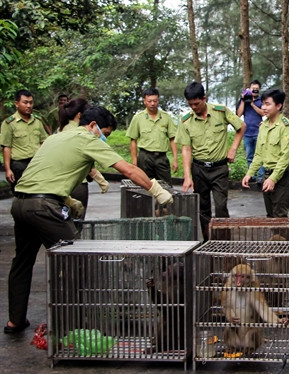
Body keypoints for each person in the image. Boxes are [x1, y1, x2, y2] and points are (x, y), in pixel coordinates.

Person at [4, 106, 174, 334]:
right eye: (105, 132)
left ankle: (15, 320)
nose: (105, 138)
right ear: (93, 126)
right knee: (74, 263)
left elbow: (44, 174)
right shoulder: (87, 139)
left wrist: (68, 200)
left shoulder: (57, 137)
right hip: (45, 208)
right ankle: (69, 327)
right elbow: (128, 169)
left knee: (22, 263)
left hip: (20, 204)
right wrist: (155, 189)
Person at [176, 81, 246, 240]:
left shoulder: (221, 111)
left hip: (219, 168)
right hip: (199, 169)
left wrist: (233, 148)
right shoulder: (186, 121)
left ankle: (223, 241)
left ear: (204, 98)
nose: (193, 107)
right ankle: (208, 241)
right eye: (190, 104)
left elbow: (241, 126)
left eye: (196, 103)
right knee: (203, 207)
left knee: (221, 206)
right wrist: (187, 176)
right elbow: (186, 149)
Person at [241, 88, 289, 217]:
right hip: (267, 174)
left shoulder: (286, 127)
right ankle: (275, 238)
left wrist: (273, 178)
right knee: (270, 214)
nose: (263, 107)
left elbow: (286, 156)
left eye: (268, 104)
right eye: (263, 103)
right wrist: (250, 173)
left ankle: (285, 237)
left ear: (278, 106)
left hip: (282, 176)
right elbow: (259, 154)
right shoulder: (264, 125)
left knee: (280, 216)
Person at [58, 98, 110, 213]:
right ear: (80, 115)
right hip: (77, 182)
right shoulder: (79, 133)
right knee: (76, 220)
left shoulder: (61, 129)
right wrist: (101, 181)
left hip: (58, 183)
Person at [126, 88, 178, 184]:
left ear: (158, 101)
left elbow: (172, 138)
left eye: (155, 101)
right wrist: (134, 160)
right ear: (144, 101)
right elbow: (133, 140)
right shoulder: (138, 118)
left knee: (165, 186)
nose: (152, 104)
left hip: (161, 157)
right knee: (144, 185)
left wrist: (175, 159)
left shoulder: (166, 117)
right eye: (149, 101)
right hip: (145, 157)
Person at [0, 89, 49, 192]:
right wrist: (8, 170)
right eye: (25, 102)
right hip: (19, 165)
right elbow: (6, 147)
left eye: (31, 102)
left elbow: (43, 142)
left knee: (39, 192)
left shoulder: (37, 121)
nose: (28, 106)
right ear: (17, 104)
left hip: (36, 163)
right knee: (20, 194)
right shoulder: (9, 123)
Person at [236, 79, 265, 182]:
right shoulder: (244, 100)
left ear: (260, 89)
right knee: (249, 156)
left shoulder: (261, 100)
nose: (255, 91)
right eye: (253, 89)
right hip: (247, 133)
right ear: (249, 89)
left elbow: (263, 113)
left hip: (258, 132)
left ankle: (260, 177)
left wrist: (252, 104)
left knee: (260, 155)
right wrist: (244, 100)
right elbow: (238, 114)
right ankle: (251, 176)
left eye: (257, 89)